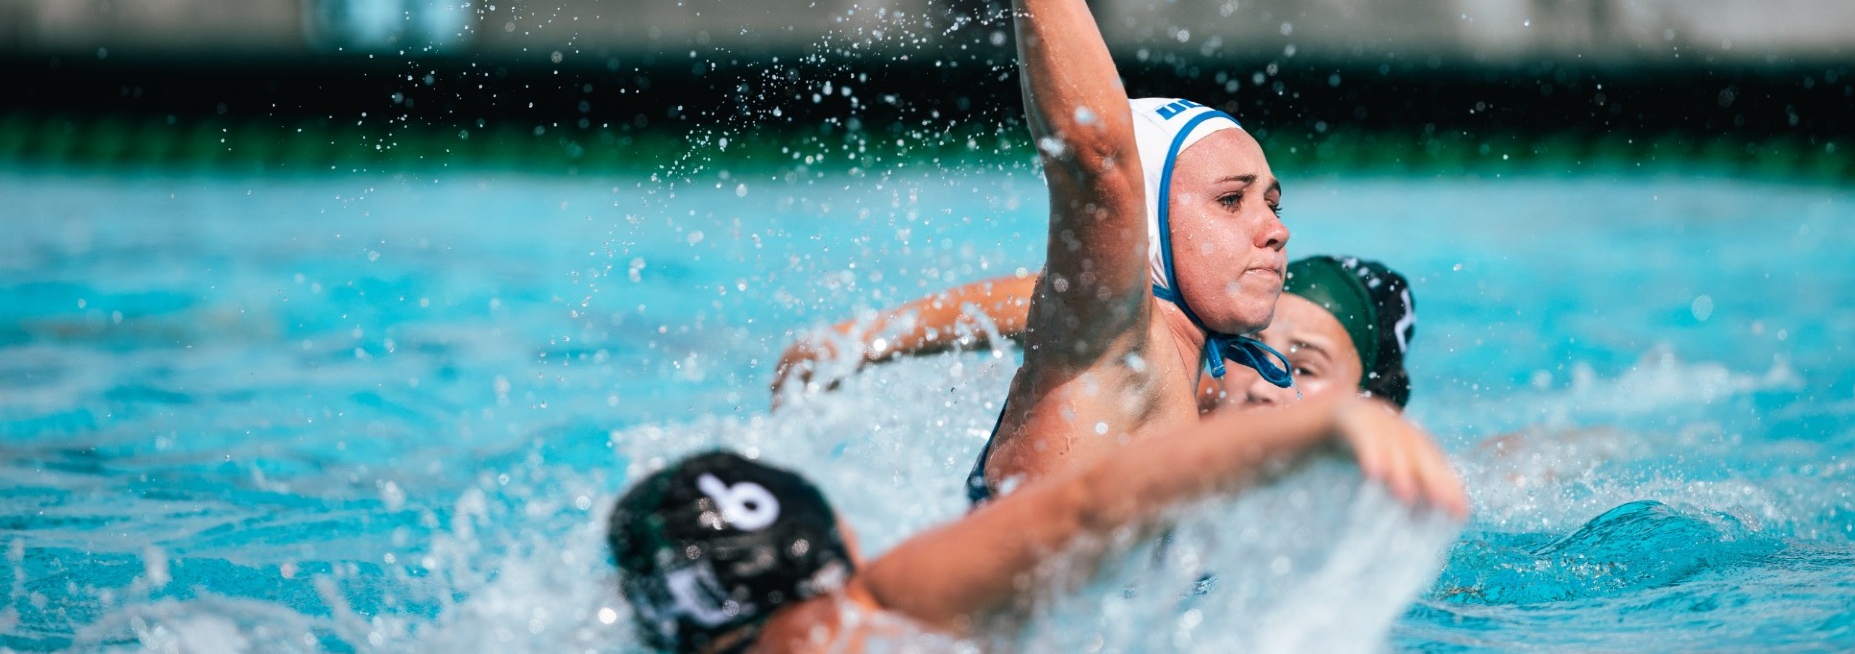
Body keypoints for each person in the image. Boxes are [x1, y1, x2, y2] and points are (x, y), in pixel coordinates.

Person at [914, 0, 1294, 504]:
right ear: (1141, 226)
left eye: (1272, 202)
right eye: (1231, 200)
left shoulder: (1197, 374)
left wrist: (875, 339)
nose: (1274, 230)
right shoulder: (1117, 349)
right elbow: (1097, 159)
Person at [608, 390, 1467, 654]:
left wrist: (1325, 425)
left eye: (817, 622)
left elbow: (1098, 502)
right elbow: (1097, 502)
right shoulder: (884, 608)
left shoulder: (901, 604)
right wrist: (1326, 422)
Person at [773, 254, 1417, 414]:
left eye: (1304, 368)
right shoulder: (1177, 404)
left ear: (1373, 405)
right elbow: (1092, 306)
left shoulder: (1381, 517)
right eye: (1250, 351)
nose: (1264, 384)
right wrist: (864, 340)